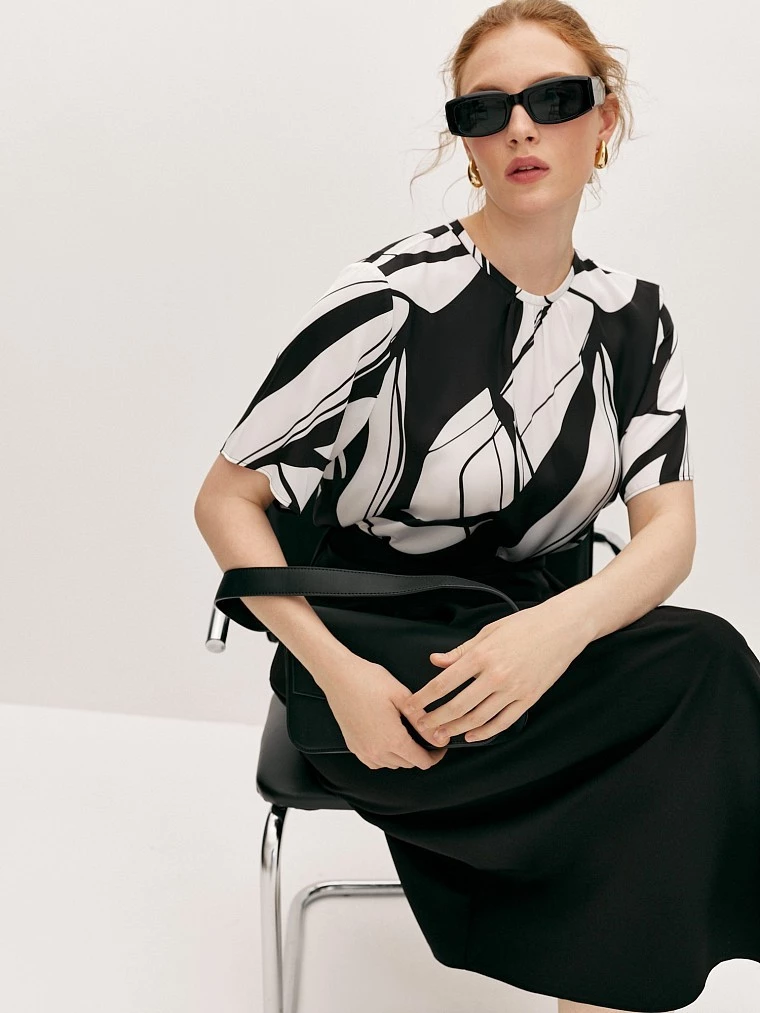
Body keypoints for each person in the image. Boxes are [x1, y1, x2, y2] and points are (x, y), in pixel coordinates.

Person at [194, 3, 760, 1011]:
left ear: (605, 119)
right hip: (379, 658)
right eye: (484, 109)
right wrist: (339, 673)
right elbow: (226, 499)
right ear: (465, 140)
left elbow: (667, 533)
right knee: (674, 740)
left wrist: (552, 632)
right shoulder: (388, 297)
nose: (520, 128)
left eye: (554, 99)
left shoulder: (635, 319)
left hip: (530, 647)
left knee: (702, 671)